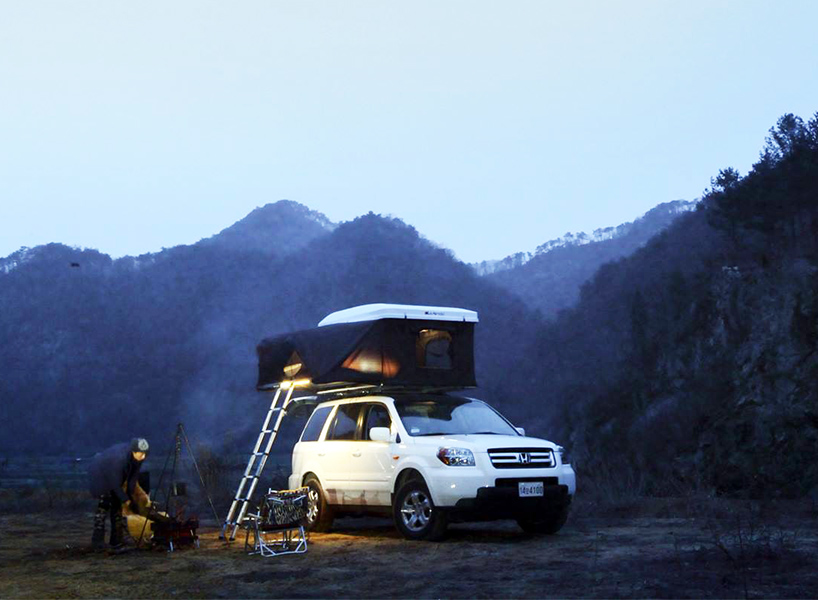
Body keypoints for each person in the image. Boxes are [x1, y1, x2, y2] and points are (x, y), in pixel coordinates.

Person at [88, 437, 150, 550]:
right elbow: (114, 484)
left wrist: (131, 498)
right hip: (101, 475)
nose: (143, 457)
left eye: (145, 454)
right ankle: (97, 540)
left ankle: (117, 540)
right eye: (141, 454)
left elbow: (132, 479)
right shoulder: (118, 458)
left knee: (117, 507)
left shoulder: (137, 458)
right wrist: (126, 500)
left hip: (115, 477)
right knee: (104, 504)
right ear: (133, 451)